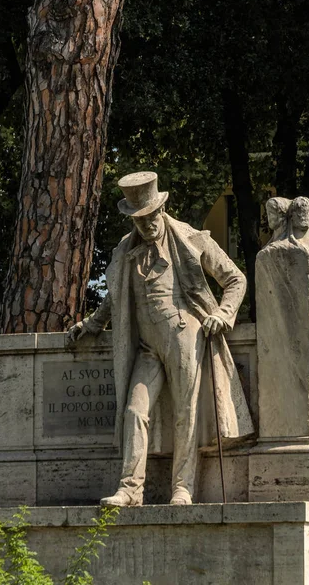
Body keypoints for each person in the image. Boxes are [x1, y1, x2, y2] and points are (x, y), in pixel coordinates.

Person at [68, 171, 253, 506]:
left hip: (186, 334)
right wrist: (92, 324)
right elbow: (115, 295)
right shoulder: (126, 249)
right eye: (140, 220)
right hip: (147, 345)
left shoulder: (191, 238)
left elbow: (235, 279)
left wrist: (223, 314)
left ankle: (183, 488)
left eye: (152, 216)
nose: (148, 224)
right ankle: (130, 489)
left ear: (161, 210)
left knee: (187, 411)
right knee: (134, 411)